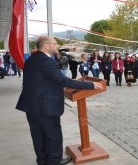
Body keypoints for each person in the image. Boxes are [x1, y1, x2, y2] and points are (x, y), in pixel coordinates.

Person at [16, 36, 103, 165]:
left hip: (31, 105)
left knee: (38, 136)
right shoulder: (47, 61)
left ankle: (42, 160)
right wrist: (91, 85)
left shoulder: (31, 59)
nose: (58, 46)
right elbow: (63, 80)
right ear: (46, 46)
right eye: (55, 44)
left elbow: (41, 81)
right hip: (45, 106)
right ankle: (54, 161)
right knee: (53, 136)